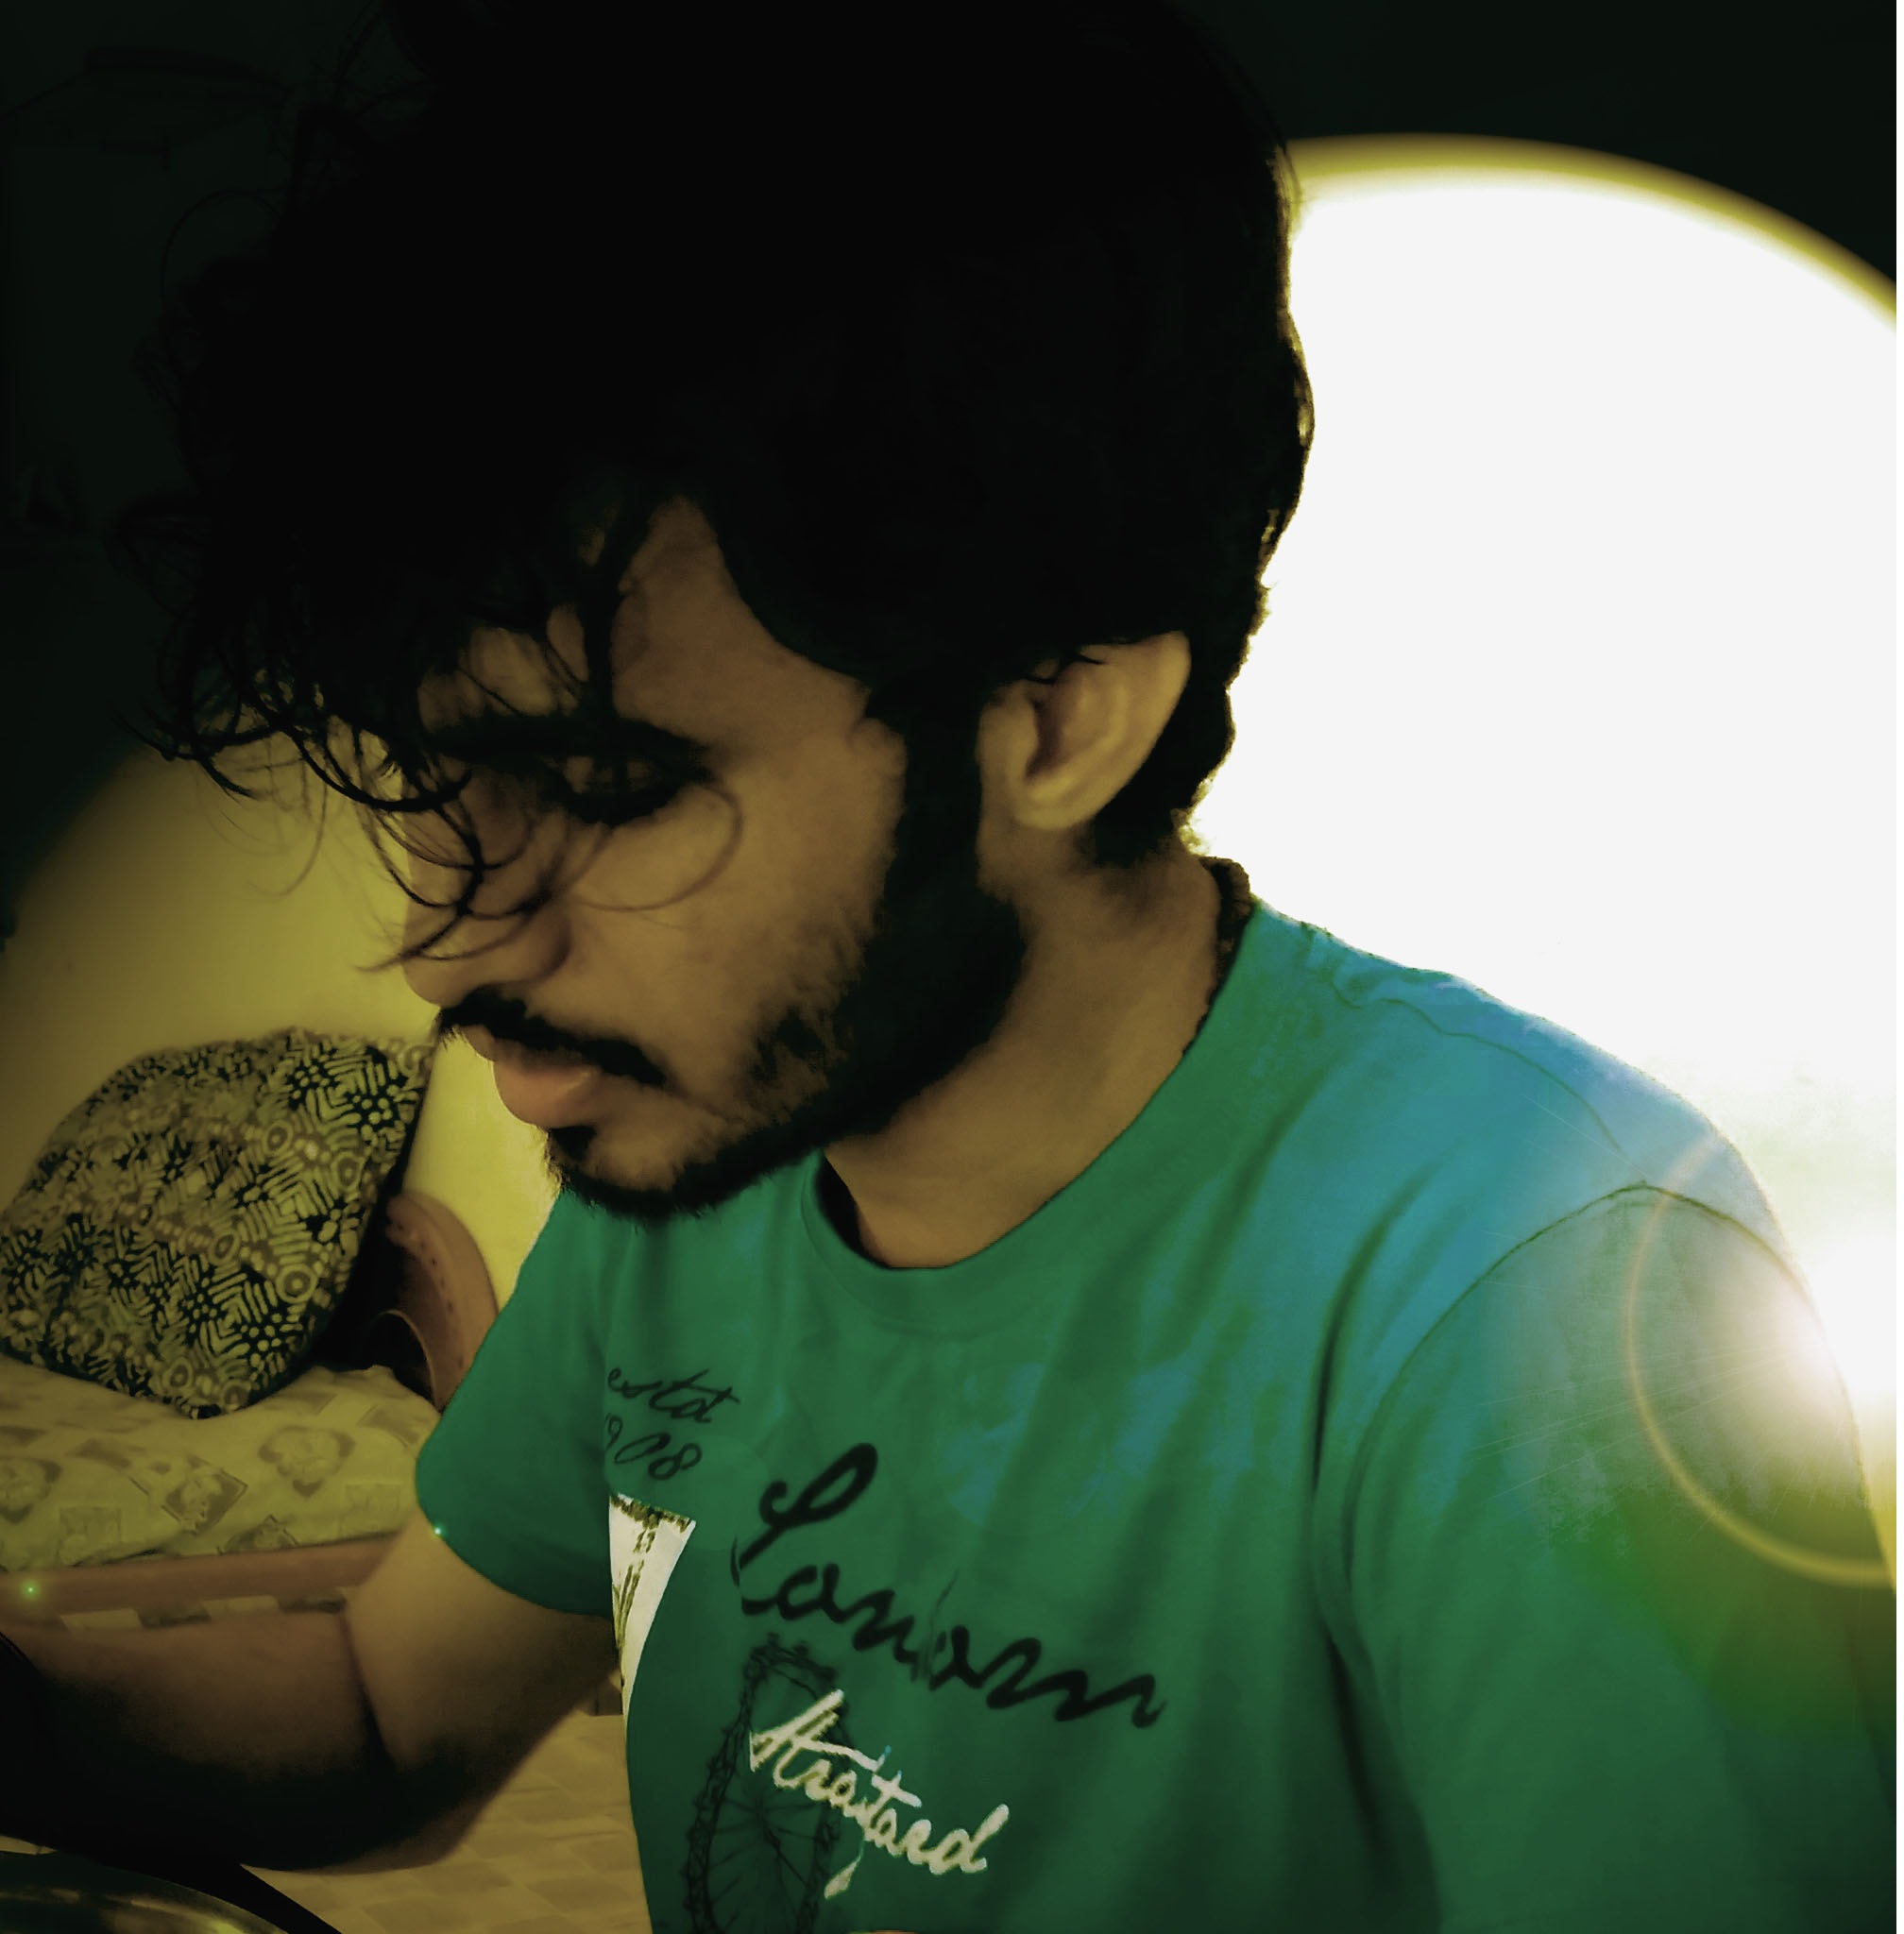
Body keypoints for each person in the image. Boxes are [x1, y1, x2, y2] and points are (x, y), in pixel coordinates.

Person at [3, 0, 1891, 1927]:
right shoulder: (702, 1167)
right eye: (429, 775)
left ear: (1055, 717)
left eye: (604, 787)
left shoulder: (1540, 1305)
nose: (444, 947)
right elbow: (387, 1711)